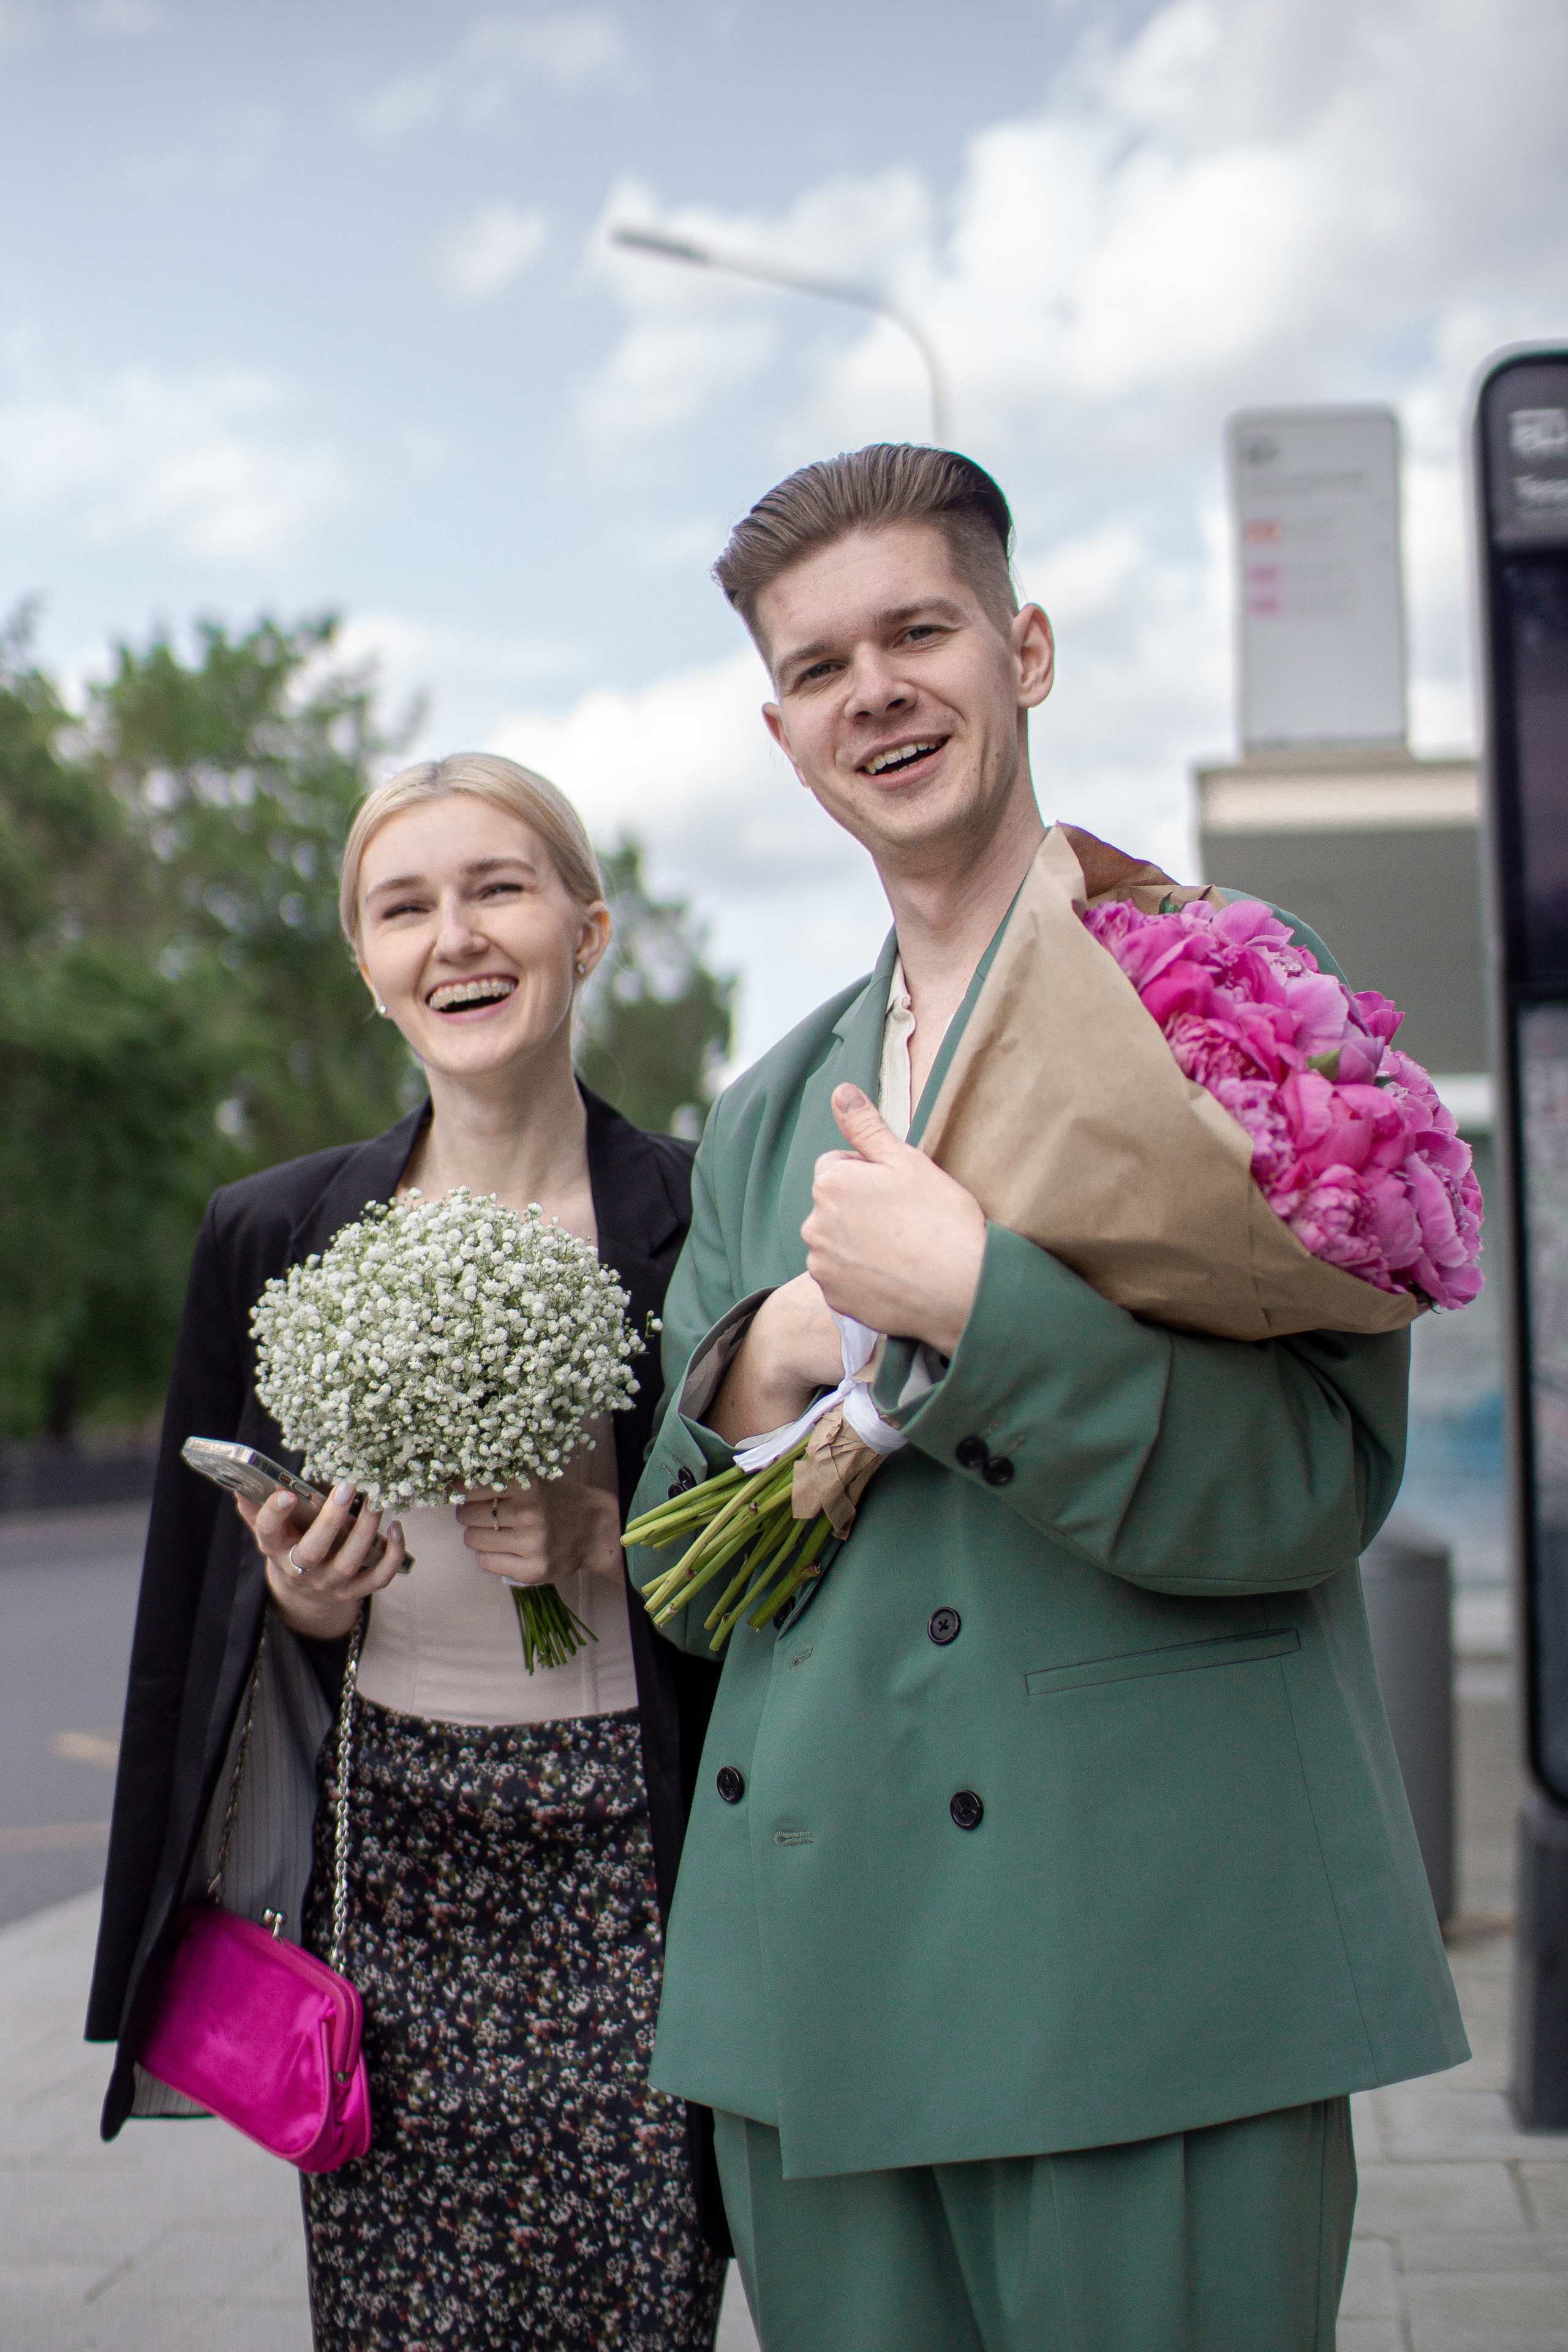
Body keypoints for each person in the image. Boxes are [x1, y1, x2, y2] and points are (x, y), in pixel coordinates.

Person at [627, 446, 1468, 2352]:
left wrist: (981, 1310)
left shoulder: (1232, 999)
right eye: (820, 667)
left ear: (1027, 651)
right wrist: (764, 1359)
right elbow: (680, 1580)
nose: (875, 693)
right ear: (784, 734)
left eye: (918, 633)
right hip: (820, 1992)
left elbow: (1314, 1487)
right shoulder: (764, 1112)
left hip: (1149, 1970)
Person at [88, 753, 728, 2351]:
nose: (457, 937)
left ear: (587, 930)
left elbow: (798, 1551)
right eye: (406, 907)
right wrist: (303, 1597)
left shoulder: (711, 1216)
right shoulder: (273, 1233)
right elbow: (204, 1615)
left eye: (499, 889)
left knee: (640, 2306)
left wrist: (609, 1536)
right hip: (399, 1864)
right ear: (369, 967)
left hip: (647, 1860)